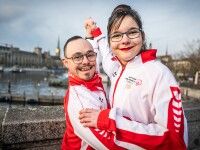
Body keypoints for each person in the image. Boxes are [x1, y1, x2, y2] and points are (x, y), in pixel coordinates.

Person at [79, 4, 188, 150]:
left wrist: (109, 120)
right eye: (117, 35)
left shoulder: (159, 74)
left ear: (142, 36)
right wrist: (92, 33)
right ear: (111, 42)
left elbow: (176, 143)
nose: (124, 40)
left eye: (132, 32)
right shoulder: (115, 67)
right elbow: (104, 50)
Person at [61, 36, 127, 150]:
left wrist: (91, 34)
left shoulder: (90, 77)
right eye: (77, 57)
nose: (86, 61)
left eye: (90, 55)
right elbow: (111, 146)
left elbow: (93, 52)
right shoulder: (80, 102)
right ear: (66, 62)